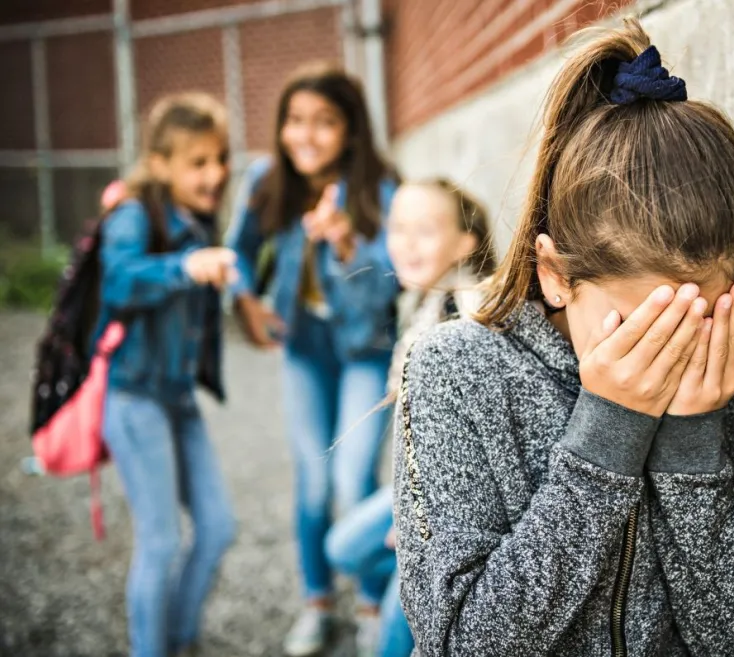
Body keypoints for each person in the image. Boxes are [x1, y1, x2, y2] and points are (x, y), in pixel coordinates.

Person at [393, 19, 734, 657]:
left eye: (698, 322)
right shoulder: (456, 372)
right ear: (556, 276)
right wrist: (608, 434)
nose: (670, 355)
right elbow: (461, 643)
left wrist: (692, 448)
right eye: (642, 327)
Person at [224, 61, 400, 656]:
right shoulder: (266, 179)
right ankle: (318, 601)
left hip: (364, 351)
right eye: (295, 120)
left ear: (351, 131)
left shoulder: (381, 189)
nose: (305, 134)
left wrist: (346, 243)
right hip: (304, 349)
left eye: (324, 122)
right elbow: (238, 253)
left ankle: (375, 598)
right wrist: (244, 301)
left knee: (353, 479)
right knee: (314, 484)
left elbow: (386, 291)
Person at [326, 179, 497, 657]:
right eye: (397, 228)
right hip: (418, 488)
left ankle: (429, 611)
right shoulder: (420, 302)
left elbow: (479, 442)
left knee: (394, 636)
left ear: (465, 243)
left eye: (425, 229)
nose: (406, 242)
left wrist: (415, 521)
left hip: (452, 503)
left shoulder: (469, 315)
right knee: (342, 548)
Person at [98, 92, 237, 657]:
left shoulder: (200, 221)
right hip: (134, 399)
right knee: (158, 542)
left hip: (177, 399)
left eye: (220, 158)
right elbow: (119, 280)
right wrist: (184, 266)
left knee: (218, 527)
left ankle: (177, 640)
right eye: (198, 162)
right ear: (160, 164)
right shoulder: (135, 214)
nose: (215, 172)